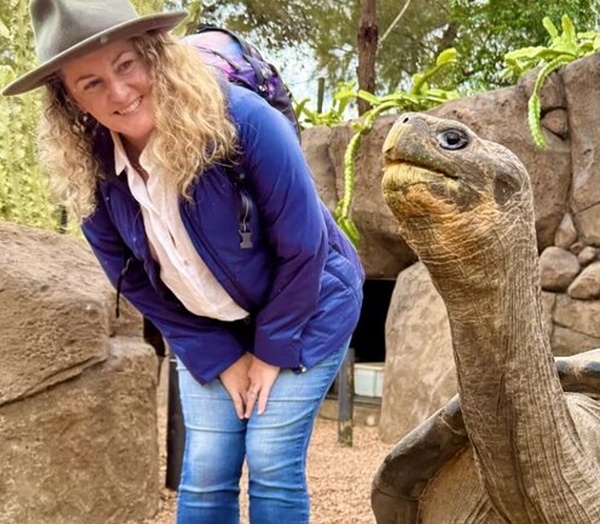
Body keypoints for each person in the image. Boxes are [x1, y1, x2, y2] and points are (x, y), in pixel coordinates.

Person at [2, 1, 364, 523]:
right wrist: (218, 354)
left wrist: (270, 351)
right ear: (71, 99)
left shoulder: (243, 121)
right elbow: (135, 282)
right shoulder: (91, 174)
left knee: (269, 460)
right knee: (208, 469)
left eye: (126, 65)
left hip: (308, 304)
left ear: (152, 55)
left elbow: (303, 244)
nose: (120, 93)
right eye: (92, 83)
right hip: (209, 321)